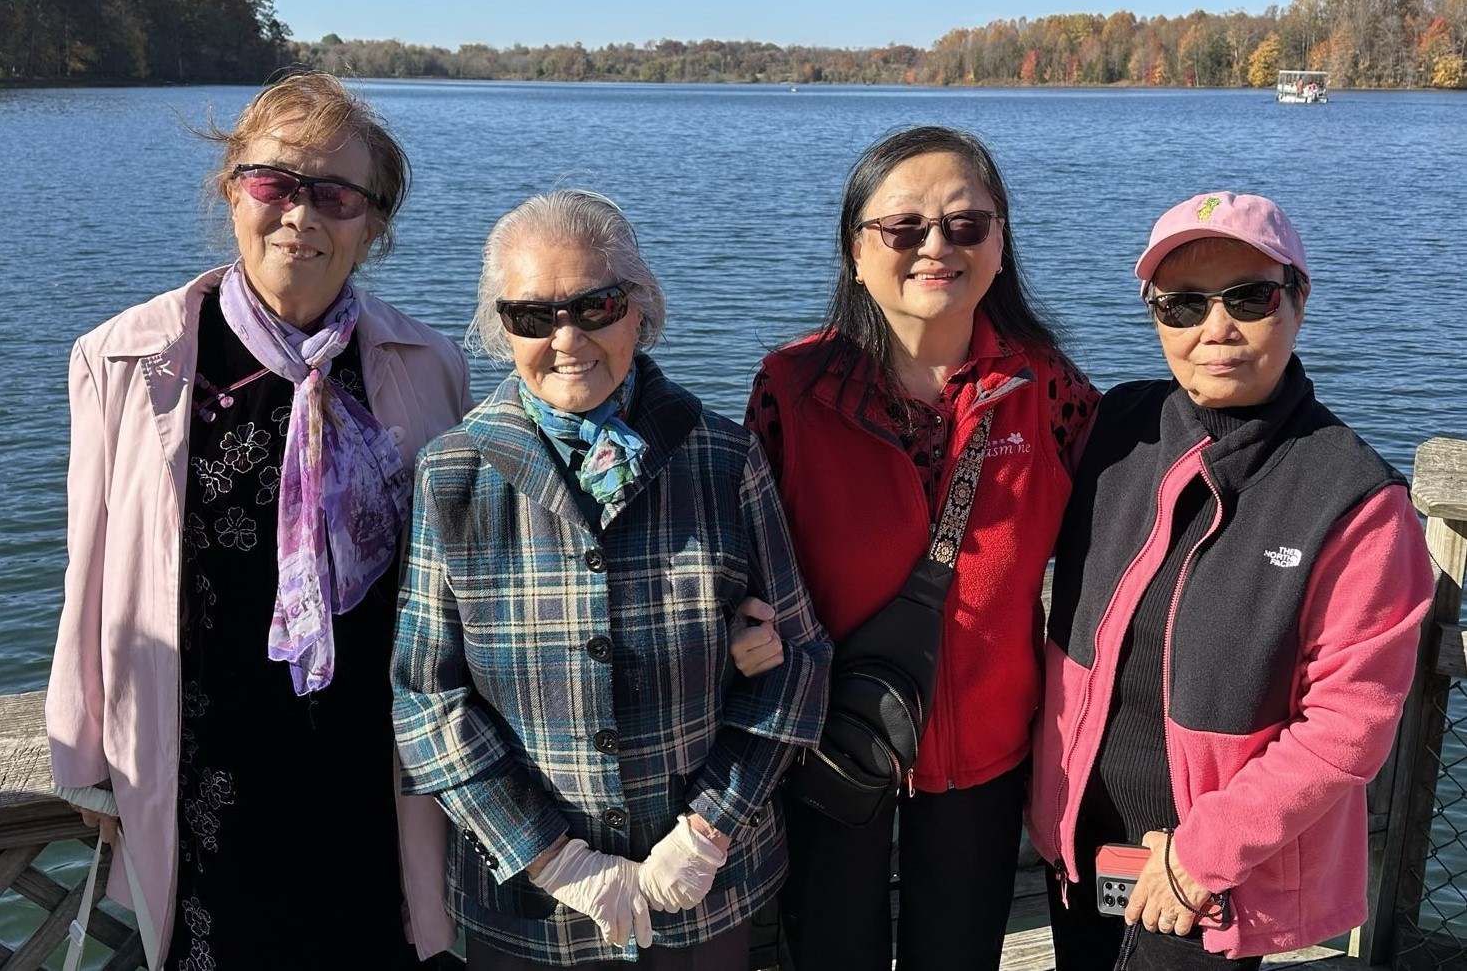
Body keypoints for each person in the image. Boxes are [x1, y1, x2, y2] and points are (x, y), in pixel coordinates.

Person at [44, 71, 473, 968]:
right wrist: (81, 757)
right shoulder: (123, 358)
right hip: (199, 769)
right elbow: (90, 570)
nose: (300, 214)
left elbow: (465, 572)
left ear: (373, 223)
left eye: (336, 194)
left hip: (371, 766)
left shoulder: (430, 365)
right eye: (275, 182)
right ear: (233, 190)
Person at [390, 189, 832, 970]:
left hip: (703, 892)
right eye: (532, 316)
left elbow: (798, 657)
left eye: (595, 306)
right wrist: (552, 856)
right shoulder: (451, 474)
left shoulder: (723, 459)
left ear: (638, 309)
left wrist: (707, 829)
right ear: (502, 328)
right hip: (528, 908)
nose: (567, 339)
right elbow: (426, 698)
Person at [1030, 192, 1435, 970]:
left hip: (1213, 882)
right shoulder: (1114, 428)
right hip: (1082, 843)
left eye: (1249, 297)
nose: (1215, 327)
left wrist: (1199, 857)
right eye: (1182, 305)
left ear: (1298, 298)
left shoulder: (1356, 498)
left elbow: (1348, 725)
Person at [741, 125, 1100, 970]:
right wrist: (737, 623)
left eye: (965, 225)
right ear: (856, 249)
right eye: (903, 227)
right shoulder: (793, 388)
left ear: (1000, 246)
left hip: (985, 753)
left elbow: (1125, 531)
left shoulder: (1047, 387)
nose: (936, 247)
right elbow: (736, 549)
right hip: (832, 737)